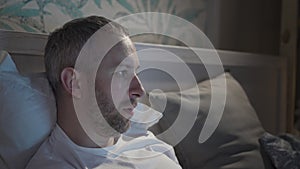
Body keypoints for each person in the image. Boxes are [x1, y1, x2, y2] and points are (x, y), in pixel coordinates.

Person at [25, 16, 182, 169]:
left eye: (135, 73)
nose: (139, 91)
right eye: (121, 73)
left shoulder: (154, 147)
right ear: (74, 83)